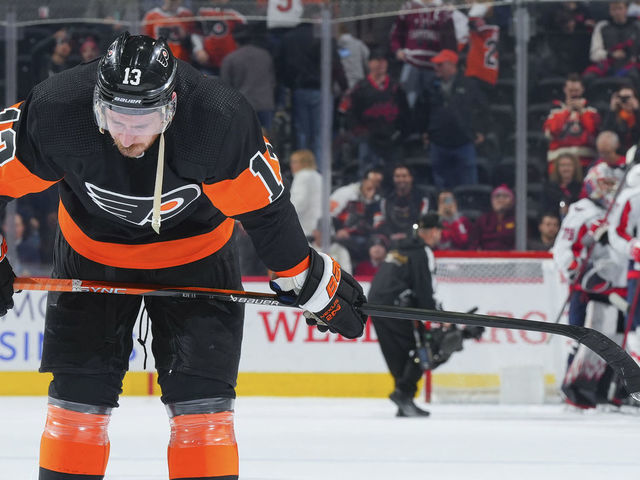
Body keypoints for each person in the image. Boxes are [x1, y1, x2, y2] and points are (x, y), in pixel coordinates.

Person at [0, 33, 366, 480]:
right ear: (97, 102)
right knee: (78, 401)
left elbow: (266, 213)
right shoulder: (58, 107)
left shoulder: (218, 118)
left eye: (144, 120)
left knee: (202, 411)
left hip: (199, 259)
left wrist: (304, 276)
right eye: (117, 117)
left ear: (170, 106)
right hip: (91, 256)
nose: (129, 134)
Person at [552, 163, 627, 408]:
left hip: (613, 285)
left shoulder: (615, 210)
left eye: (611, 184)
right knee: (583, 337)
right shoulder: (581, 209)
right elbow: (564, 246)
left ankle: (602, 389)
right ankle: (572, 388)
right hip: (588, 287)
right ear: (593, 183)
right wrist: (572, 266)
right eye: (604, 183)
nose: (608, 189)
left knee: (613, 339)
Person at [368, 213, 443, 417]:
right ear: (434, 231)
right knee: (430, 346)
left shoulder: (398, 248)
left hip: (375, 306)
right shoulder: (423, 252)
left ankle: (404, 401)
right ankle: (404, 393)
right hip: (396, 308)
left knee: (398, 355)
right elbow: (424, 288)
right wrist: (438, 316)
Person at [417, 49, 488, 188]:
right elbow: (421, 111)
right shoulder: (430, 86)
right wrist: (424, 131)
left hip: (464, 142)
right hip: (438, 143)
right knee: (441, 186)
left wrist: (481, 130)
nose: (436, 68)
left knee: (468, 185)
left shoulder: (469, 85)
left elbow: (483, 109)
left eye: (440, 64)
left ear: (451, 65)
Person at [341, 46, 410, 177]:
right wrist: (362, 134)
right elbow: (350, 115)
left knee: (394, 176)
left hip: (392, 139)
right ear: (369, 63)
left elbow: (405, 114)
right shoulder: (360, 88)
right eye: (377, 60)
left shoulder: (396, 87)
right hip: (369, 141)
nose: (381, 64)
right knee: (368, 176)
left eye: (384, 61)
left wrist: (401, 134)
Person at [390, 0, 458, 108]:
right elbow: (396, 32)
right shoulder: (408, 6)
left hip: (435, 65)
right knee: (406, 100)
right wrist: (397, 49)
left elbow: (450, 37)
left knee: (435, 102)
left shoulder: (443, 9)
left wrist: (448, 60)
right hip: (411, 61)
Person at [219, 23, 276, 132]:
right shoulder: (265, 55)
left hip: (243, 106)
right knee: (266, 141)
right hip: (265, 104)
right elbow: (272, 81)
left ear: (235, 41)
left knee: (246, 143)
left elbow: (225, 87)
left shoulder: (230, 59)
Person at [543, 73, 600, 174]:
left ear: (583, 89)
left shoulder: (592, 110)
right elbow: (552, 131)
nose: (574, 94)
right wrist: (566, 112)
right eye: (571, 91)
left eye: (576, 91)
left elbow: (594, 132)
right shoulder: (555, 109)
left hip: (585, 161)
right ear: (565, 89)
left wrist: (582, 113)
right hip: (558, 161)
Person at [470, 184, 516, 250]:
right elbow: (473, 245)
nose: (500, 199)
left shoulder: (518, 220)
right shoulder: (483, 220)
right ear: (491, 200)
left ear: (512, 201)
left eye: (505, 196)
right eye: (497, 196)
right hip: (486, 258)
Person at [289, 149, 322, 239]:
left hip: (305, 228)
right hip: (319, 227)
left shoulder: (302, 176)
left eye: (295, 162)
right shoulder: (318, 176)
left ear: (304, 163)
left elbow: (298, 204)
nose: (291, 165)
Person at [541, 153, 583, 219]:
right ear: (557, 168)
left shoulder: (581, 188)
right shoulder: (549, 188)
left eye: (569, 165)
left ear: (575, 167)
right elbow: (543, 211)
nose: (566, 169)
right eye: (562, 165)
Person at [602, 85, 640, 154]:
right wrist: (612, 110)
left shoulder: (637, 114)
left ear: (635, 98)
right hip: (619, 153)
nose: (625, 100)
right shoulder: (614, 116)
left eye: (628, 97)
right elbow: (606, 134)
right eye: (622, 98)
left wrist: (637, 110)